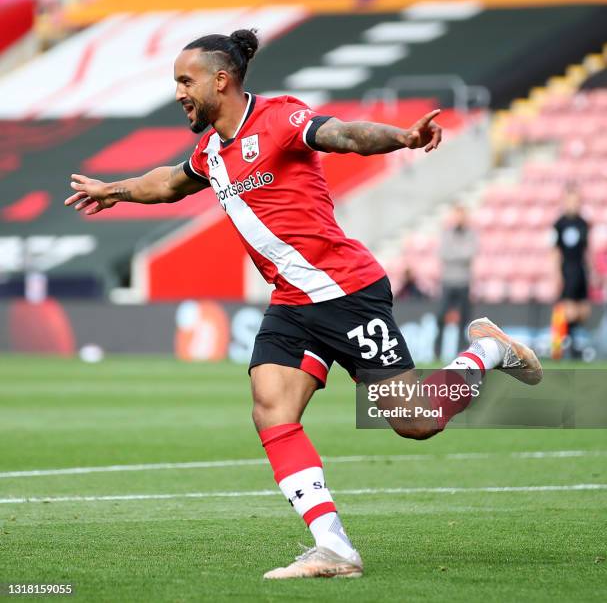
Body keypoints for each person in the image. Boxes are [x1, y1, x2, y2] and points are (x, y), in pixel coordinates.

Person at [65, 29, 542, 579]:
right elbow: (170, 183)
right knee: (271, 407)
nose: (178, 92)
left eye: (185, 80)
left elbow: (344, 135)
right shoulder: (210, 151)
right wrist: (114, 190)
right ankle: (334, 547)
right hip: (292, 302)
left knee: (417, 421)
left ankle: (487, 352)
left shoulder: (278, 119)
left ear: (221, 80)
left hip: (345, 291)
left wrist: (401, 139)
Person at [552, 188, 591, 358]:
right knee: (566, 310)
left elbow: (587, 250)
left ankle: (574, 344)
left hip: (580, 269)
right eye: (570, 200)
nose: (573, 204)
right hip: (566, 269)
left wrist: (590, 272)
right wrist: (555, 273)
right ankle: (558, 348)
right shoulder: (559, 224)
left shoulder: (583, 223)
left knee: (582, 311)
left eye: (576, 200)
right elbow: (553, 251)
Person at [435, 204, 476, 357]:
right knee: (441, 317)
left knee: (464, 321)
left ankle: (462, 352)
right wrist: (460, 253)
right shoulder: (446, 233)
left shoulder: (471, 234)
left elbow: (470, 254)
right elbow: (444, 253)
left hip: (464, 282)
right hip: (448, 282)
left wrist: (455, 253)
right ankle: (437, 352)